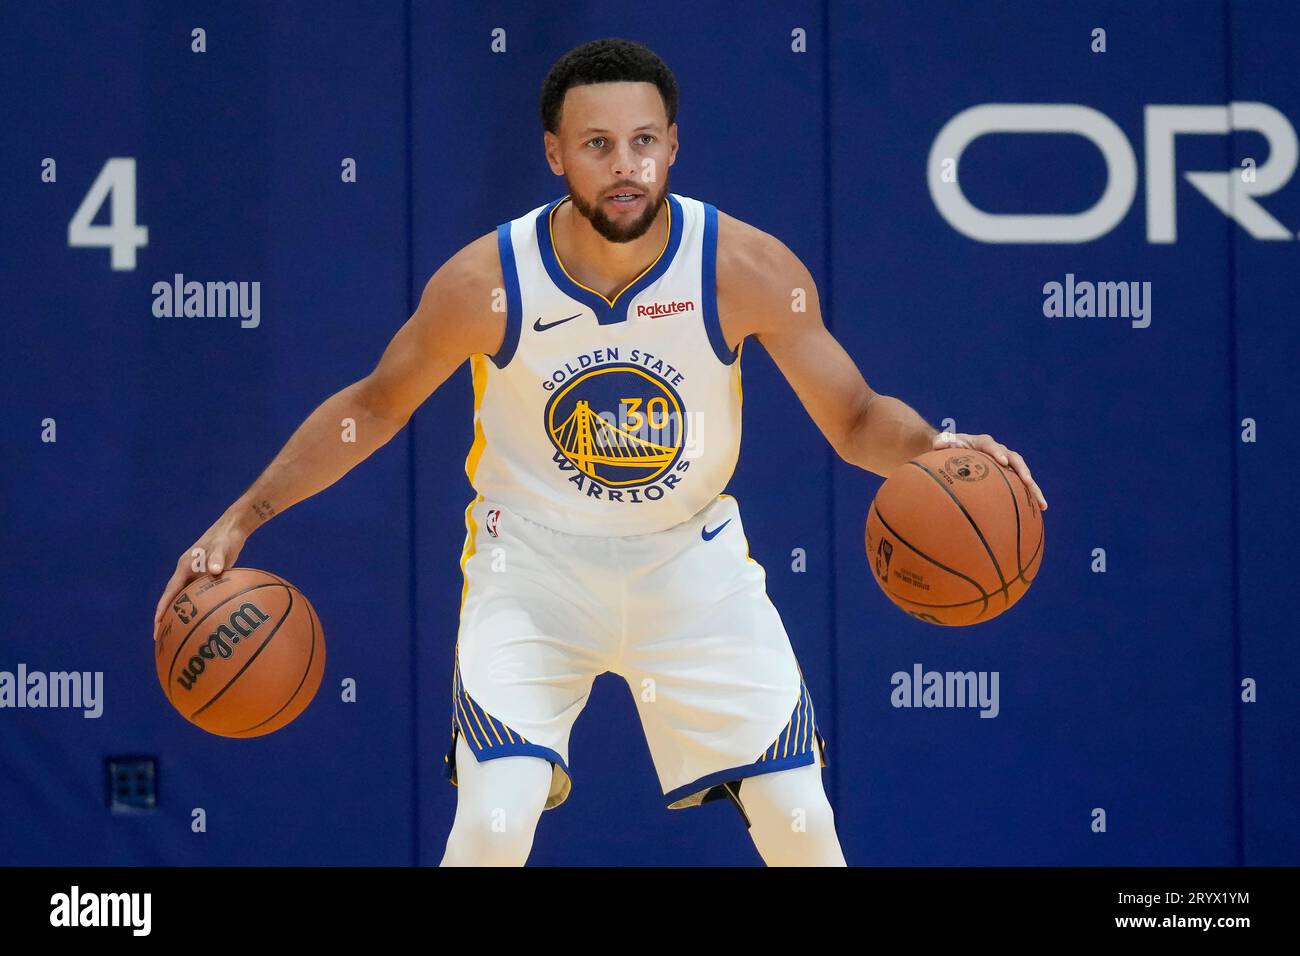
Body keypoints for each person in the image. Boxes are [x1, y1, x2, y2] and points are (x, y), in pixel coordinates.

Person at [154, 37, 1047, 867]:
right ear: (554, 153)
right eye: (597, 145)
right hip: (532, 565)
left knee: (803, 822)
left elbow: (853, 419)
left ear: (673, 146)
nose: (625, 167)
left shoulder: (747, 267)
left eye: (643, 141)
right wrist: (245, 518)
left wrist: (938, 444)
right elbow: (373, 407)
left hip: (691, 563)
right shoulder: (485, 283)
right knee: (493, 821)